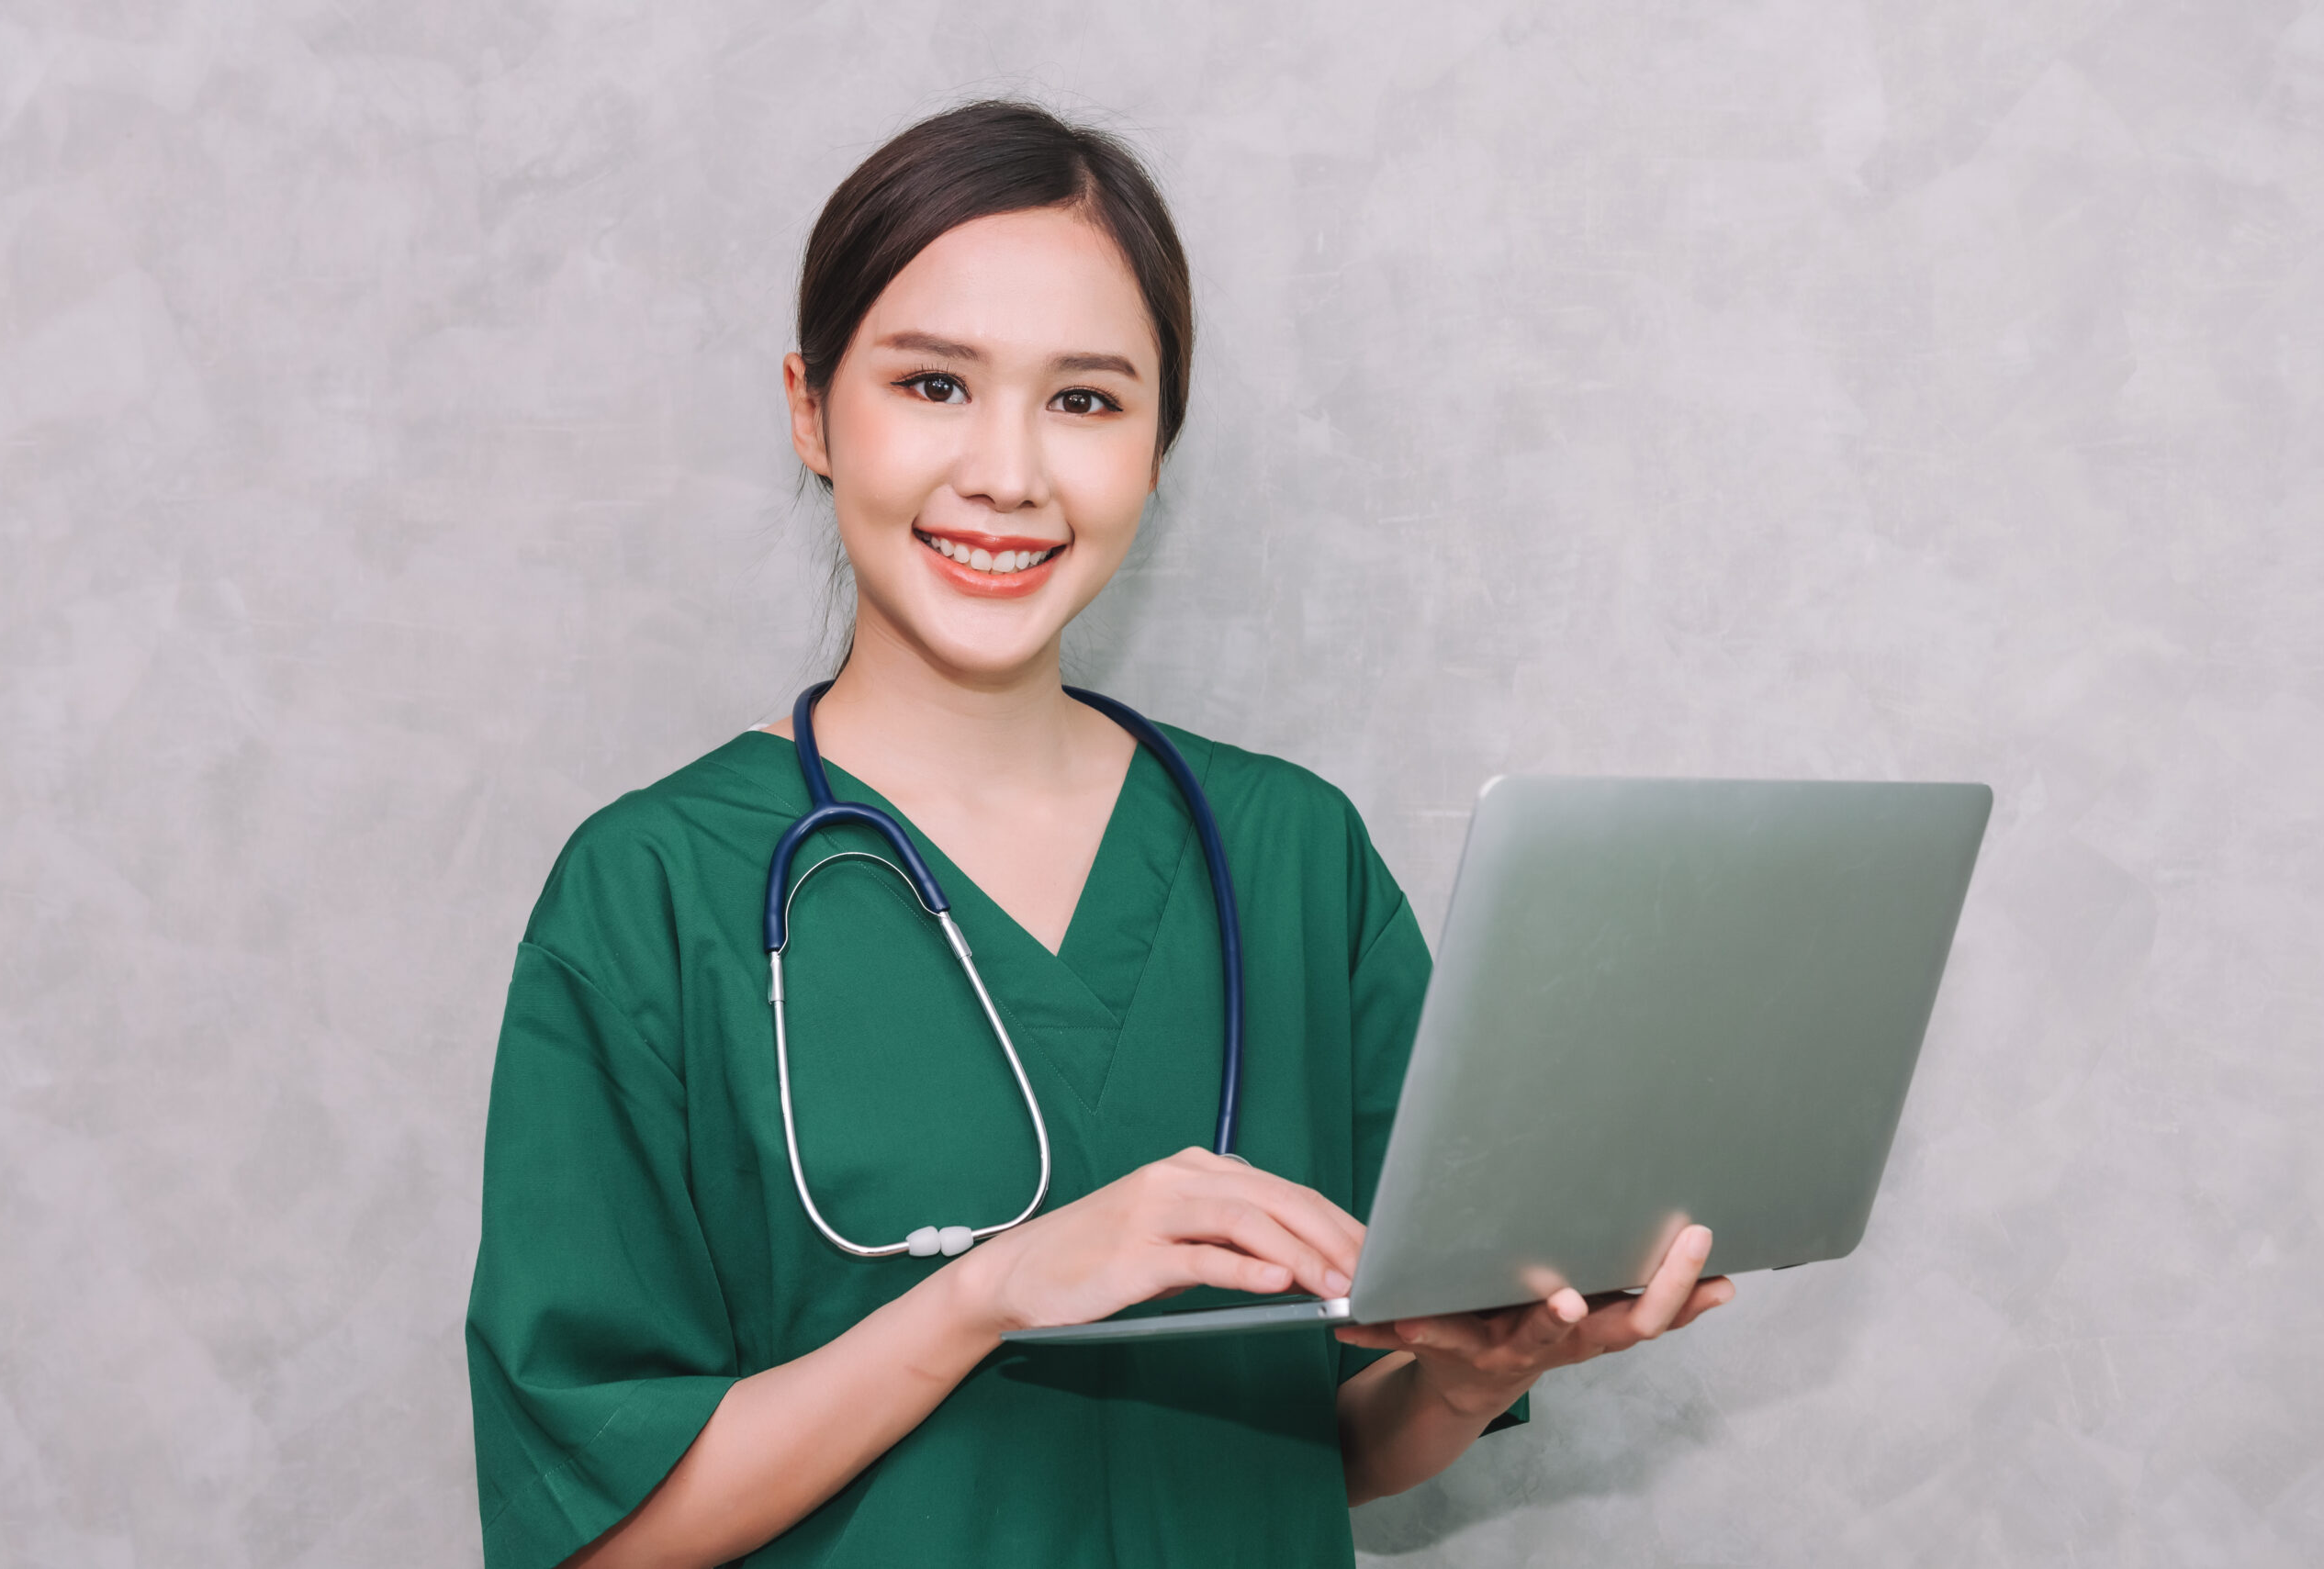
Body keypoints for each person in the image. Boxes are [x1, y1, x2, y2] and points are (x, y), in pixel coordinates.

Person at [466, 99, 1734, 1569]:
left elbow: (1326, 1441)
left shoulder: (1290, 859)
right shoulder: (650, 897)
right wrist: (983, 1295)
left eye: (1085, 400)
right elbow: (588, 1540)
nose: (1009, 472)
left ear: (1156, 444)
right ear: (812, 411)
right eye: (935, 384)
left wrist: (1469, 1371)